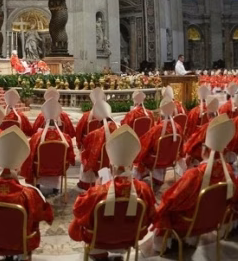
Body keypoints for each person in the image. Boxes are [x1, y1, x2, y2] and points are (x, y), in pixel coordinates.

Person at [146, 113, 236, 254]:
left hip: (190, 220)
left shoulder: (195, 174)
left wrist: (159, 208)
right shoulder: (229, 171)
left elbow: (173, 199)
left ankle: (166, 244)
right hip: (215, 218)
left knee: (166, 210)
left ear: (204, 150)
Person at [69, 126, 156, 259]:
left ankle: (98, 254)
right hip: (130, 237)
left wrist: (95, 188)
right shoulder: (144, 189)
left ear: (110, 167)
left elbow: (78, 209)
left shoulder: (98, 192)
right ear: (131, 166)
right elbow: (152, 215)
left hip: (99, 238)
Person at [22, 97, 76, 188]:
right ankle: (56, 187)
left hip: (40, 168)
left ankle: (37, 184)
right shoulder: (66, 138)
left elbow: (30, 156)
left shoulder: (36, 137)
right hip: (59, 168)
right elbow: (70, 157)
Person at [137, 97, 184, 187]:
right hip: (171, 159)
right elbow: (181, 146)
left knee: (141, 153)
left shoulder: (157, 129)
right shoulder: (178, 127)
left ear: (160, 115)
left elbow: (144, 144)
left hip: (156, 160)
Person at [78, 99, 118, 189]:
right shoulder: (120, 129)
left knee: (85, 157)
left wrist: (79, 144)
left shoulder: (95, 134)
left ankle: (87, 184)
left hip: (100, 163)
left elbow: (87, 150)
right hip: (117, 162)